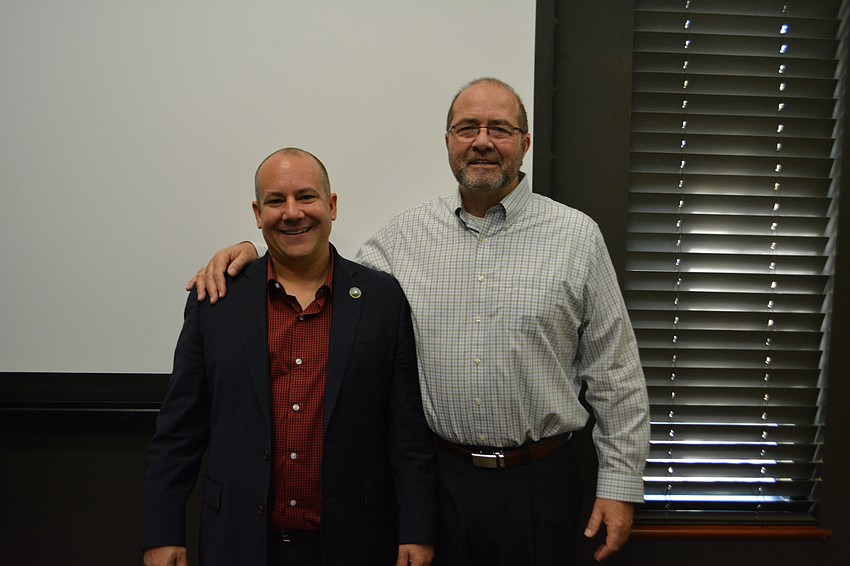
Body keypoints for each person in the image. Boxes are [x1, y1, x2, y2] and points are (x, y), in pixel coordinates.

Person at [189, 79, 650, 565]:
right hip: (439, 482)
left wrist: (619, 486)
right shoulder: (401, 240)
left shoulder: (576, 237)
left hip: (541, 482)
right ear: (449, 141)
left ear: (525, 144)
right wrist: (249, 254)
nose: (483, 141)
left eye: (501, 128)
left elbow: (614, 372)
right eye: (467, 128)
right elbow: (317, 267)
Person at [142, 148, 437, 566]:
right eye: (276, 201)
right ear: (257, 214)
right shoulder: (216, 300)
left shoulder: (382, 299)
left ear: (332, 206)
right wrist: (161, 531)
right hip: (240, 542)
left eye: (307, 197)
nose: (292, 212)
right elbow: (178, 430)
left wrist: (417, 528)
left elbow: (406, 431)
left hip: (357, 541)